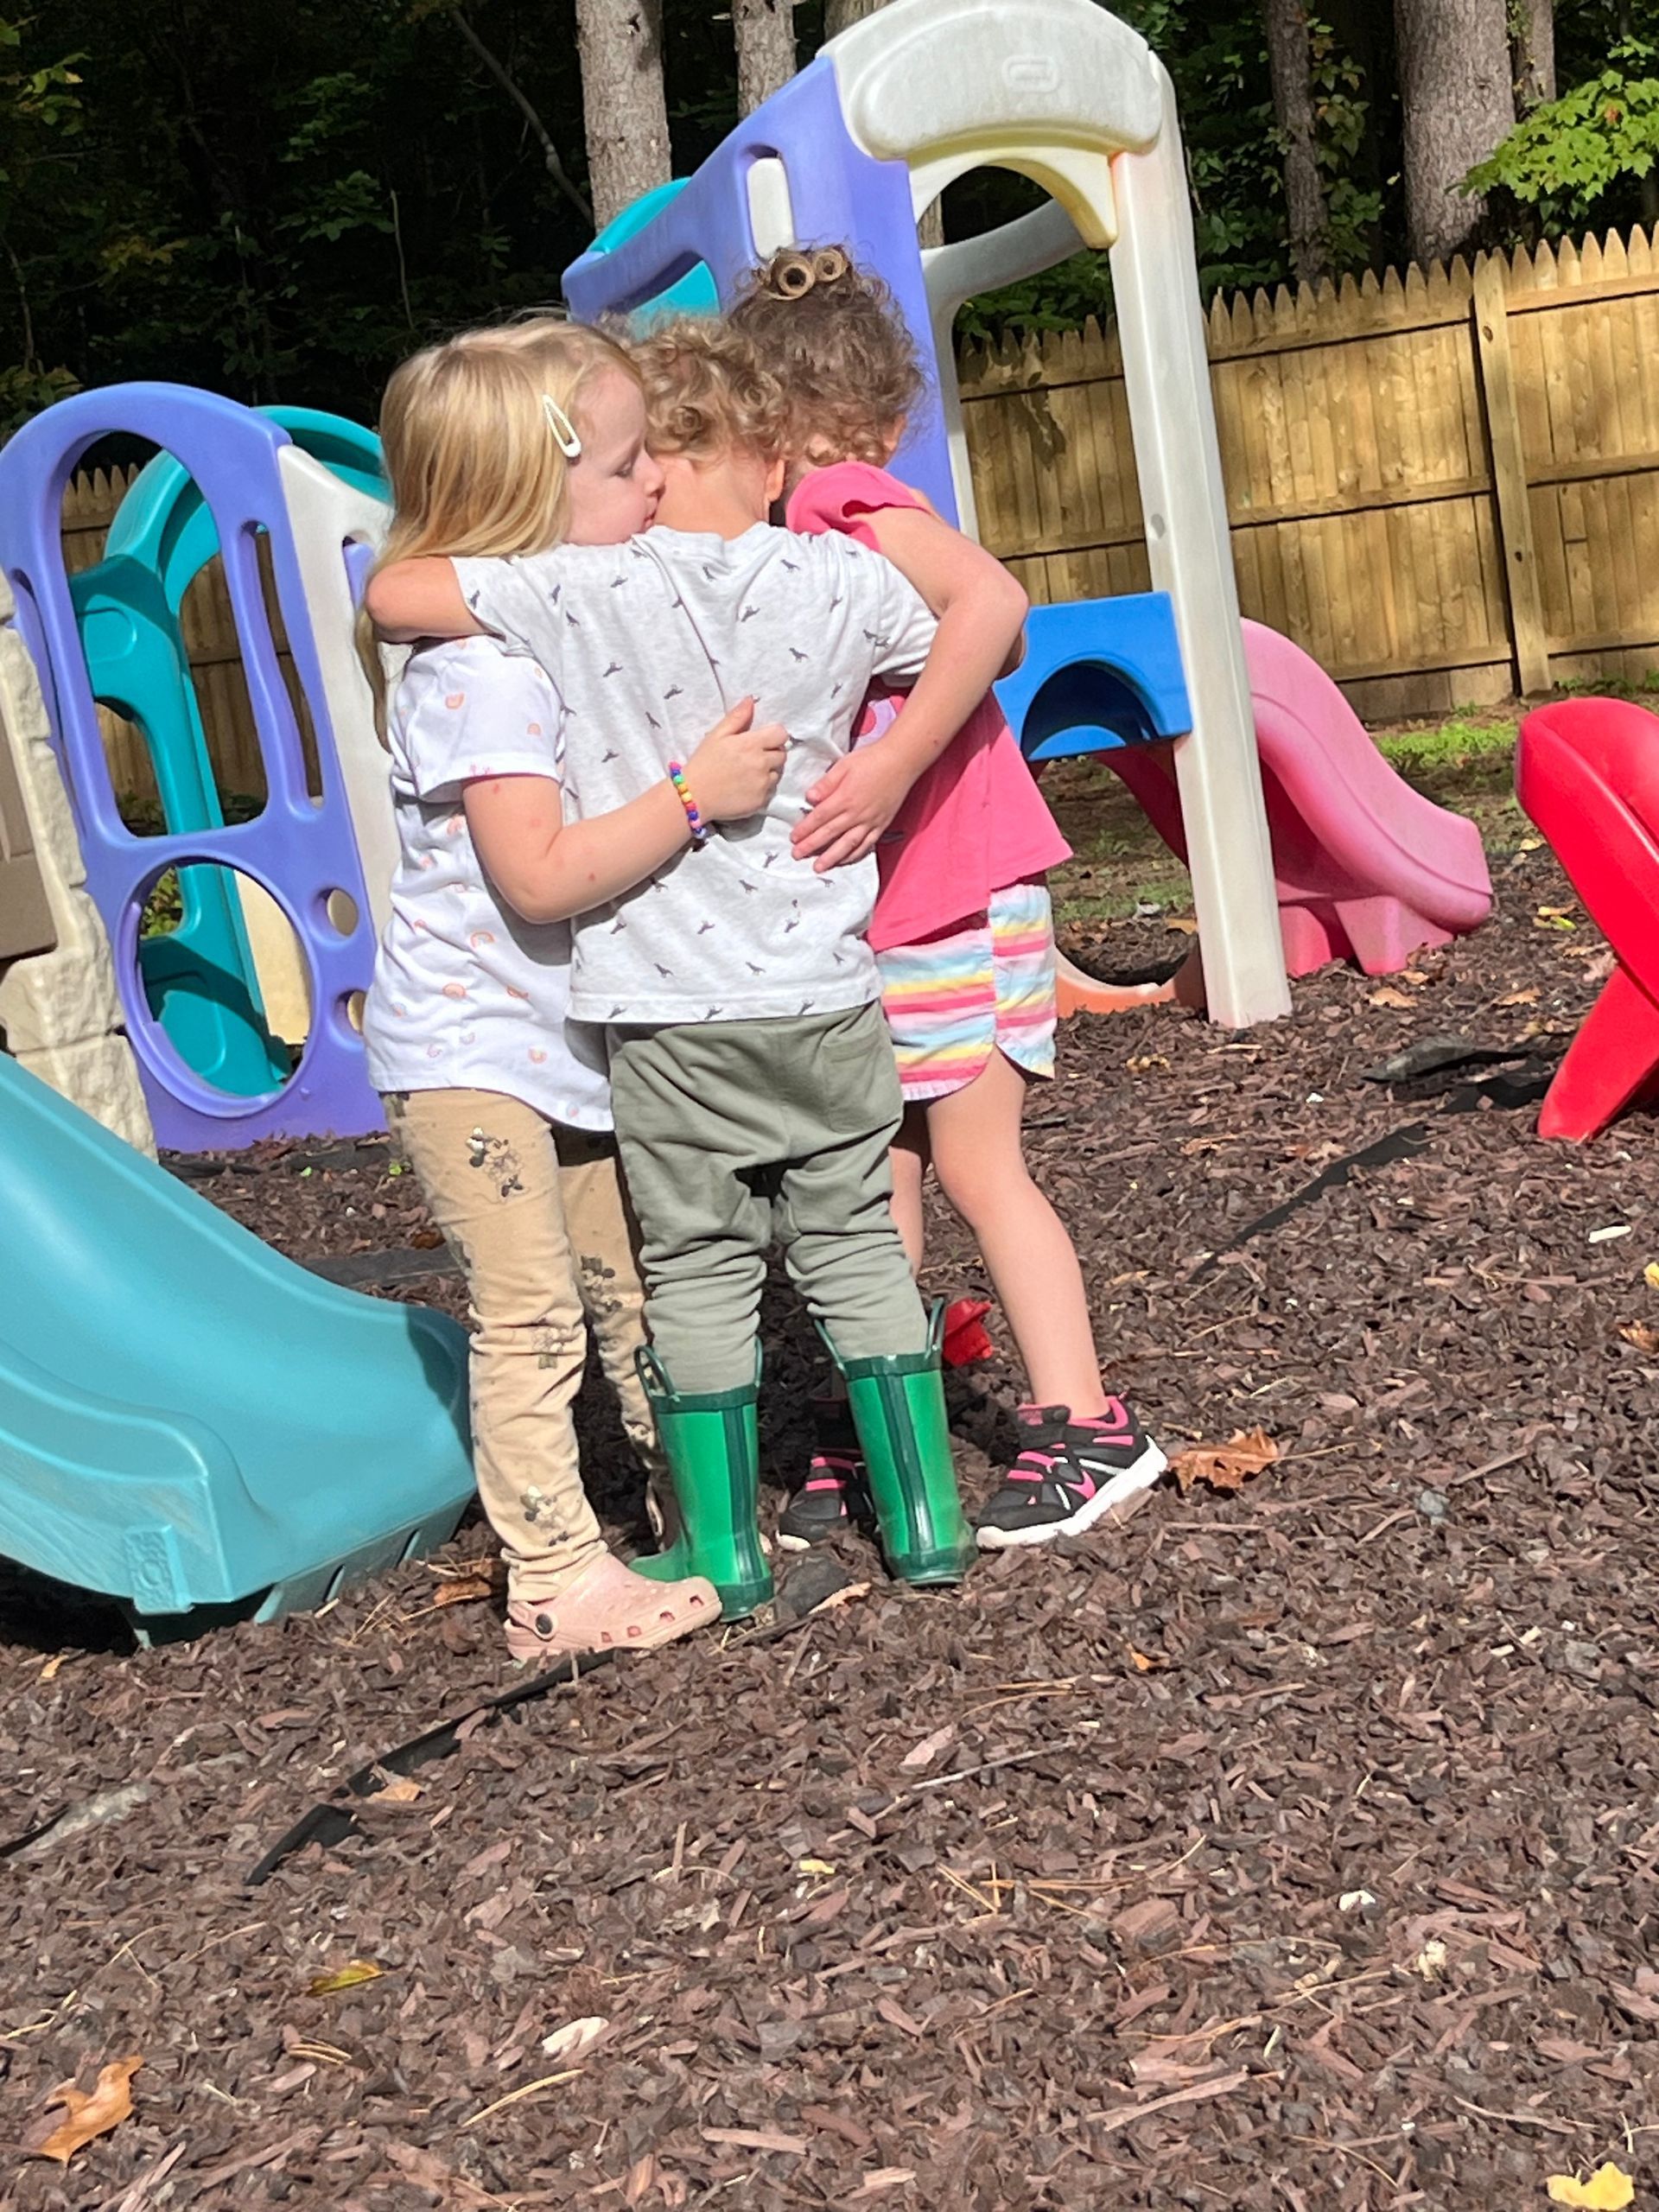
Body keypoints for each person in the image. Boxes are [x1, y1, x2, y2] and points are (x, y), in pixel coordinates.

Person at [365, 317, 1013, 1618]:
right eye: (620, 469)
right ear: (773, 457)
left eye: (650, 461)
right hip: (738, 1011)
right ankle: (910, 1520)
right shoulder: (823, 579)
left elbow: (392, 590)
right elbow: (985, 607)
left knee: (690, 1269)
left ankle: (715, 1543)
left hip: (648, 1021)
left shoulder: (582, 594)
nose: (648, 489)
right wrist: (858, 767)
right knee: (832, 1250)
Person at [360, 315, 790, 1663]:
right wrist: (691, 797)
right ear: (526, 508)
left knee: (636, 1286)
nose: (655, 480)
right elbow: (538, 878)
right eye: (621, 467)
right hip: (472, 1055)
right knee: (535, 1312)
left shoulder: (559, 625)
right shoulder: (482, 675)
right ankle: (552, 1577)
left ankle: (695, 1516)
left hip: (562, 1040)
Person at [730, 246, 1168, 1550]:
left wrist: (898, 757)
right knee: (886, 1180)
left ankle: (1092, 1426)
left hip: (958, 892)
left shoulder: (843, 505)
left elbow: (998, 607)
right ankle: (891, 1424)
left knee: (977, 1167)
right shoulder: (806, 528)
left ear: (783, 429)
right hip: (904, 908)